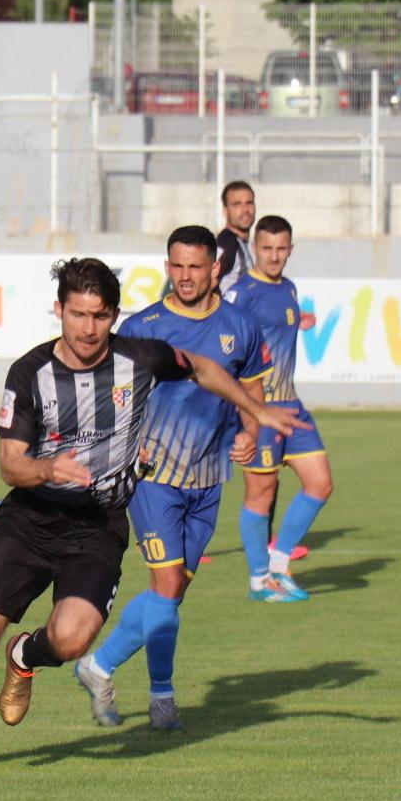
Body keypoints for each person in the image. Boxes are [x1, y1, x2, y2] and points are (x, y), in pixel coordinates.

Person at [0, 258, 303, 775]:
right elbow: (10, 466)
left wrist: (255, 412)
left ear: (114, 316)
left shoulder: (140, 358)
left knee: (73, 638)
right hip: (29, 521)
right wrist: (48, 467)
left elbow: (207, 367)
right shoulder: (29, 373)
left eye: (99, 316)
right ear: (59, 311)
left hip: (98, 527)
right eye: (77, 314)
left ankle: (26, 656)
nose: (87, 327)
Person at [71, 226, 266, 732]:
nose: (184, 276)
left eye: (195, 267)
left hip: (209, 478)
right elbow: (107, 399)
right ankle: (162, 697)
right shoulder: (143, 327)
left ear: (215, 269)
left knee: (170, 595)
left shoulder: (241, 328)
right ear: (167, 267)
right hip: (153, 477)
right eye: (176, 266)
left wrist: (249, 432)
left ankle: (99, 665)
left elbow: (252, 397)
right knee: (168, 582)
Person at [224, 214, 333, 603]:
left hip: (292, 403)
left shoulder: (288, 287)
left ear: (291, 249)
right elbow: (228, 349)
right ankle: (260, 580)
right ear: (255, 248)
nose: (274, 256)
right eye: (266, 248)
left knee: (320, 483)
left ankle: (279, 563)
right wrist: (245, 411)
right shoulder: (240, 293)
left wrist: (295, 321)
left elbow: (273, 330)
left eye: (281, 248)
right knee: (261, 493)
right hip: (260, 407)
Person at [214, 180, 257, 295]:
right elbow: (205, 285)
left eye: (249, 203)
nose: (245, 210)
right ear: (225, 211)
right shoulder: (227, 244)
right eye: (237, 204)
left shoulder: (243, 243)